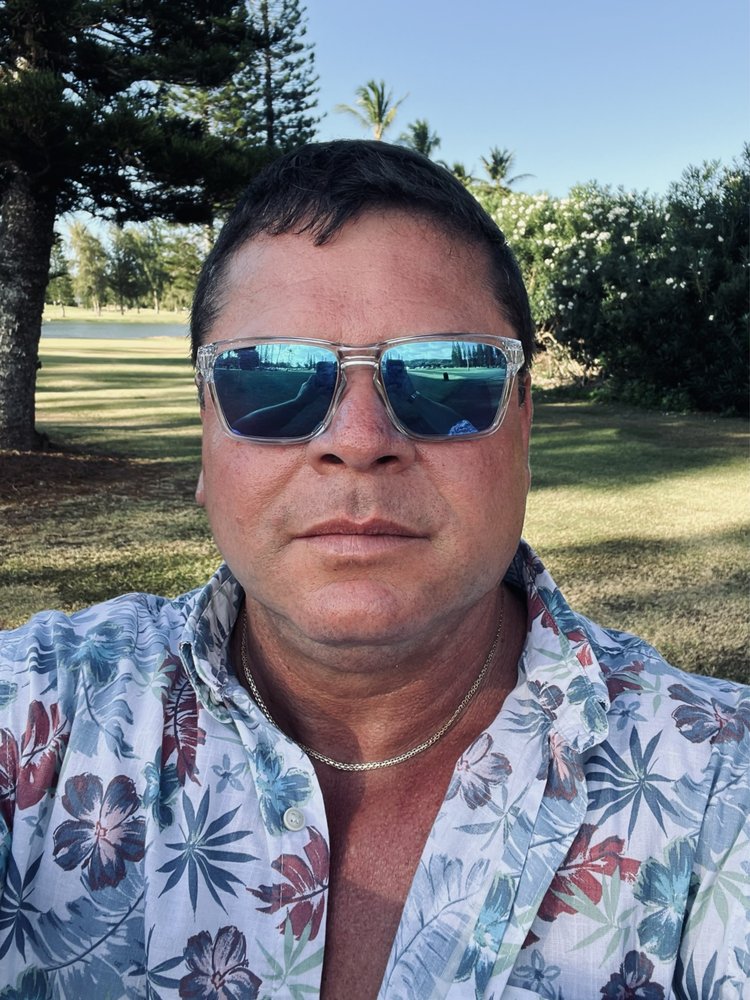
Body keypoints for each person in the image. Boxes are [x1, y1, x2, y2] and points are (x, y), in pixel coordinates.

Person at [0, 141, 747, 1000]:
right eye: (269, 379)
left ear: (522, 428)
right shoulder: (37, 713)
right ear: (206, 433)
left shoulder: (719, 786)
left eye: (446, 376)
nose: (358, 440)